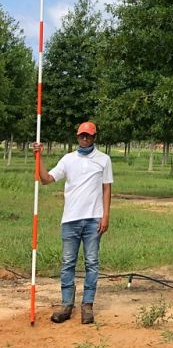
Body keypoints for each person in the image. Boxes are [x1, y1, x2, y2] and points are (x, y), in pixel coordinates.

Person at [33, 122, 113, 324]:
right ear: (77, 137)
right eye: (81, 136)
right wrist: (38, 157)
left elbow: (106, 189)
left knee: (92, 263)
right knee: (68, 263)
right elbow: (46, 179)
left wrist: (105, 216)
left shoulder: (104, 160)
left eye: (88, 136)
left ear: (94, 137)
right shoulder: (68, 160)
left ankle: (87, 305)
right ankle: (67, 304)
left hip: (93, 219)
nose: (84, 139)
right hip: (70, 219)